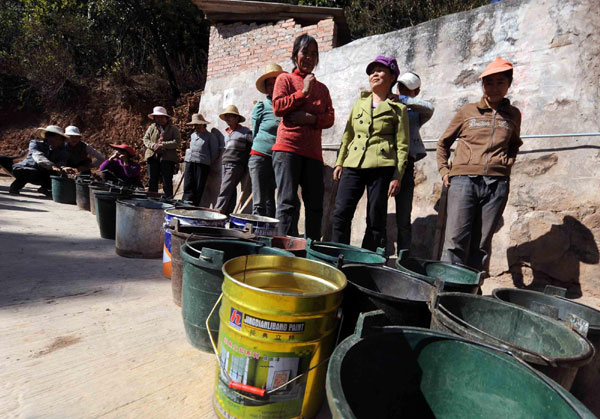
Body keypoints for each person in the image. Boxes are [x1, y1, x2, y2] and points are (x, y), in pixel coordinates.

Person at [437, 57, 522, 273]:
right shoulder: (467, 111)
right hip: (464, 181)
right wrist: (445, 171)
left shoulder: (513, 115)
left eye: (500, 82)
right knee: (455, 240)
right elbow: (443, 143)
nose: (494, 88)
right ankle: (448, 289)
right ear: (483, 85)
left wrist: (506, 164)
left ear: (509, 85)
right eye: (489, 82)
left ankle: (473, 290)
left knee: (482, 244)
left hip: (497, 185)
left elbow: (514, 144)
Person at [331, 56, 409, 251]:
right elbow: (348, 134)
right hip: (353, 164)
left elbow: (402, 145)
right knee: (341, 212)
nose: (374, 74)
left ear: (392, 77)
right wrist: (340, 162)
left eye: (380, 70)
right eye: (372, 71)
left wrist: (397, 176)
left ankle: (366, 261)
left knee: (375, 218)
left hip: (381, 167)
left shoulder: (398, 108)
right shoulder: (359, 104)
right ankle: (336, 256)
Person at [272, 34, 335, 239]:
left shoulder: (323, 89)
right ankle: (285, 250)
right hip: (288, 149)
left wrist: (310, 119)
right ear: (295, 55)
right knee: (287, 202)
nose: (308, 58)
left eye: (313, 54)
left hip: (313, 154)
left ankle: (312, 248)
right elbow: (278, 107)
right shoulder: (285, 79)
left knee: (315, 204)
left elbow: (330, 118)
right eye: (304, 53)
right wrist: (303, 92)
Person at [394, 73, 435, 252]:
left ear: (416, 91)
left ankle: (404, 255)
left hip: (406, 166)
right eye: (401, 87)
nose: (402, 90)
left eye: (407, 88)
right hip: (384, 164)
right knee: (377, 211)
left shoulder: (416, 112)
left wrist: (403, 99)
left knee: (404, 215)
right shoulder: (390, 106)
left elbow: (430, 108)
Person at [249, 63, 286, 217]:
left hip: (277, 158)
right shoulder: (261, 106)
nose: (272, 86)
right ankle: (255, 235)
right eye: (269, 83)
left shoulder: (286, 106)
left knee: (271, 200)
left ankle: (269, 236)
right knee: (259, 201)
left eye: (276, 82)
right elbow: (255, 130)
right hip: (260, 156)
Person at [9, 125, 72, 195]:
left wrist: (63, 168)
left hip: (42, 172)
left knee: (58, 175)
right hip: (25, 168)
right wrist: (52, 166)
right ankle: (15, 187)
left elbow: (61, 161)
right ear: (48, 137)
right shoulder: (35, 144)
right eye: (56, 138)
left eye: (60, 139)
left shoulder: (61, 150)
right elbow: (38, 156)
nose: (58, 141)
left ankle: (44, 188)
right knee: (29, 172)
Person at [214, 105, 252, 215]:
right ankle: (227, 214)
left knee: (225, 190)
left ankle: (217, 212)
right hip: (225, 164)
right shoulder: (227, 132)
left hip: (235, 165)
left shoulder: (245, 132)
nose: (227, 118)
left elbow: (252, 146)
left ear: (237, 118)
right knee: (230, 191)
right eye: (226, 116)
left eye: (230, 116)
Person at [142, 106, 181, 198]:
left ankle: (168, 200)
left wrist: (162, 145)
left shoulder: (173, 129)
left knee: (167, 180)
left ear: (166, 118)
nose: (159, 119)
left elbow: (177, 142)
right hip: (153, 156)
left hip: (167, 158)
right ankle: (152, 200)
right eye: (157, 117)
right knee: (152, 180)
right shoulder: (152, 127)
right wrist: (153, 146)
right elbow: (145, 139)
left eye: (161, 117)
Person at [182, 114, 219, 206]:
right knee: (188, 183)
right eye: (195, 125)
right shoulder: (193, 135)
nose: (197, 127)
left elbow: (214, 153)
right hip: (190, 162)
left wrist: (207, 161)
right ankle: (186, 203)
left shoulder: (210, 136)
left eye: (199, 124)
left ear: (203, 125)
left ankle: (195, 205)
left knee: (198, 186)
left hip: (202, 164)